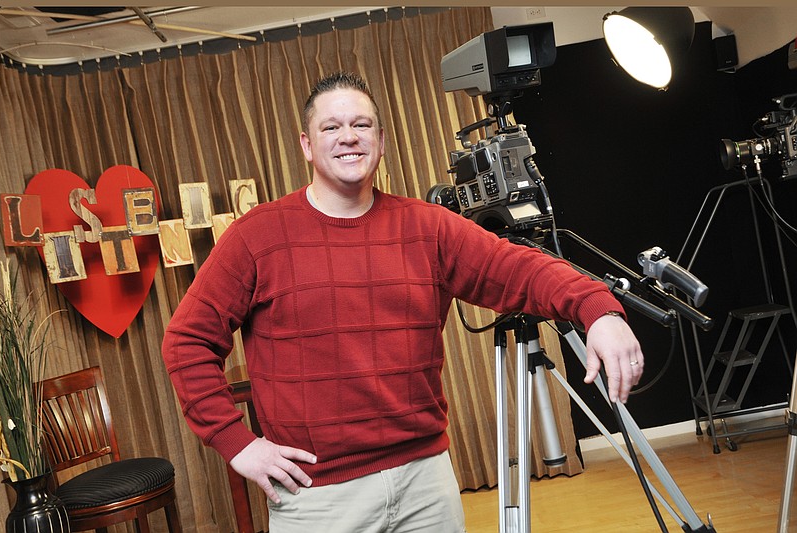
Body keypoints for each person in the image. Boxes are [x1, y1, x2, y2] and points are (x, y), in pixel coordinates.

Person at [162, 71, 644, 532]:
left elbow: (516, 267)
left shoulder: (426, 227)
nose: (348, 136)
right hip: (318, 497)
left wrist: (596, 309)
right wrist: (237, 443)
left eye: (361, 125)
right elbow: (187, 342)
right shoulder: (258, 236)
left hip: (424, 482)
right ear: (307, 145)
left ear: (381, 140)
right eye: (331, 126)